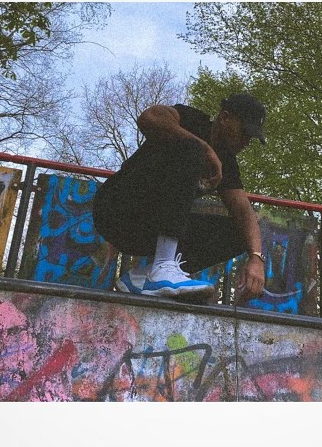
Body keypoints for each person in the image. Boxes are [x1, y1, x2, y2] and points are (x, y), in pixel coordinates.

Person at [91, 93, 269, 303]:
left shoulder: (227, 164)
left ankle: (142, 277)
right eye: (244, 132)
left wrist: (256, 258)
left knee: (240, 235)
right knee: (192, 147)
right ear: (224, 117)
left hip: (147, 230)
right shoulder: (192, 120)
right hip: (116, 209)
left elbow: (243, 212)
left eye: (251, 138)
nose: (246, 142)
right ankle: (163, 267)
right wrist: (205, 148)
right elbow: (149, 117)